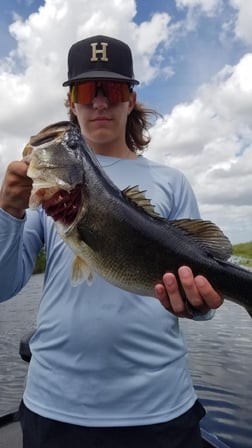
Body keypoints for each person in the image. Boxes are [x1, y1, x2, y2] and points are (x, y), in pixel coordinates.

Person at [0, 35, 223, 448]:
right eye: (86, 91)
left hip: (161, 407)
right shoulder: (48, 192)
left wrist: (199, 304)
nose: (99, 103)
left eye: (113, 90)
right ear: (71, 101)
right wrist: (8, 211)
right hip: (54, 405)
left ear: (130, 99)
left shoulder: (172, 181)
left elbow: (204, 298)